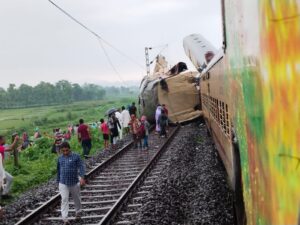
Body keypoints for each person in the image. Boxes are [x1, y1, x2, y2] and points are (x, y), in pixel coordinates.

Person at [57, 142, 86, 224]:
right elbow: (58, 170)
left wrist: (82, 177)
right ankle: (65, 218)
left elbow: (81, 166)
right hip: (63, 182)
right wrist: (58, 181)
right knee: (64, 199)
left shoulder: (76, 156)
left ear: (69, 149)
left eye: (67, 150)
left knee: (76, 198)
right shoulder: (60, 158)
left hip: (74, 182)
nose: (65, 152)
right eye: (63, 151)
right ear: (61, 151)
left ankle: (78, 212)